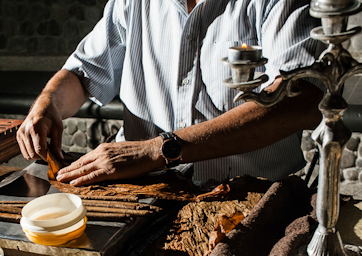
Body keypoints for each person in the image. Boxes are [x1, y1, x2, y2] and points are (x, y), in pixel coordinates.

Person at [17, 0, 324, 186]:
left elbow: (299, 100)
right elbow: (82, 73)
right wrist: (48, 103)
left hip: (252, 197)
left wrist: (157, 151)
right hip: (145, 193)